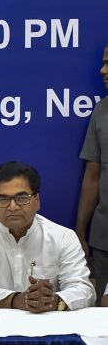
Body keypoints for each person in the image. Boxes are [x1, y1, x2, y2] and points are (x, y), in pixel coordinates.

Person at [0, 161, 95, 312]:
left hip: (48, 325)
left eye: (22, 197)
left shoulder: (63, 237)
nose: (13, 207)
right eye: (4, 199)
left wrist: (54, 301)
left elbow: (84, 290)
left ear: (37, 201)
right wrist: (15, 300)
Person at [76, 44, 108, 304]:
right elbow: (92, 175)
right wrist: (80, 232)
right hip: (104, 239)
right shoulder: (101, 111)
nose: (102, 70)